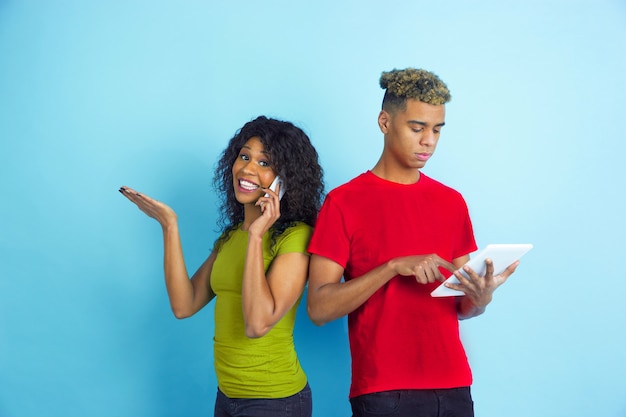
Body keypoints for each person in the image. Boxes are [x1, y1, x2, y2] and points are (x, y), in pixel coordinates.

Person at [306, 68, 519, 417]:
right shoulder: (343, 203)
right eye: (417, 128)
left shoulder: (452, 203)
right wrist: (391, 267)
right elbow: (318, 308)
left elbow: (463, 307)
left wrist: (481, 298)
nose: (429, 141)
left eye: (437, 130)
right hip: (383, 391)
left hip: (453, 386)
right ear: (385, 122)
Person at [120, 116, 324, 417]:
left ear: (285, 179)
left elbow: (257, 324)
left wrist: (257, 234)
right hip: (227, 397)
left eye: (265, 163)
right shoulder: (230, 238)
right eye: (244, 156)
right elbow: (183, 305)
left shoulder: (295, 237)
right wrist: (169, 226)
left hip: (275, 401)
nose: (247, 169)